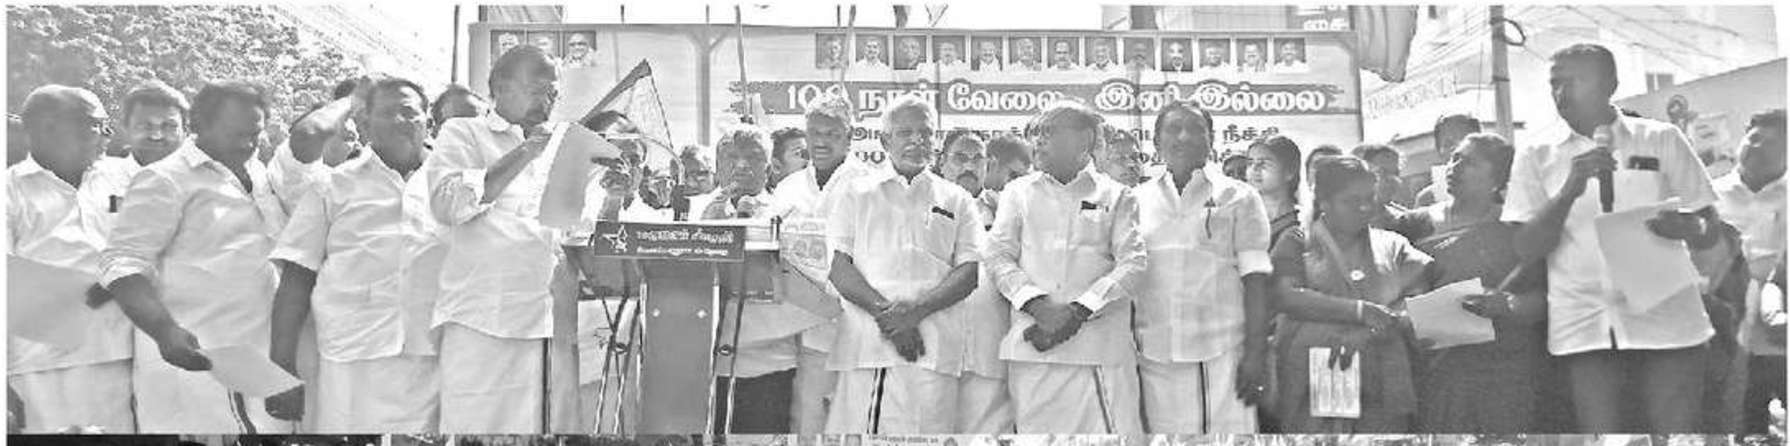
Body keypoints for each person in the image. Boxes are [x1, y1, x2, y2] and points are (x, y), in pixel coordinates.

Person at [1504, 43, 1723, 433]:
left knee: (1676, 435)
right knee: (1607, 437)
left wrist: (1689, 228)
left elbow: (1710, 228)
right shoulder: (1536, 154)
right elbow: (1525, 248)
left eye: (1575, 81)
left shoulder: (1661, 139)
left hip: (1667, 318)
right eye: (1555, 83)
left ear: (1610, 84)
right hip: (1586, 323)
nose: (1561, 93)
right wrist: (1568, 191)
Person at [101, 80, 294, 433]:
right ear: (199, 125)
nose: (248, 144)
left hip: (256, 356)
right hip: (196, 359)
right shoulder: (165, 179)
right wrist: (164, 331)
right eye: (236, 134)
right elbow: (122, 263)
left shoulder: (257, 172)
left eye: (255, 134)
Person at [264, 75, 440, 432]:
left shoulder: (458, 185)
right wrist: (279, 368)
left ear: (429, 121)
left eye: (409, 112)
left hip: (436, 360)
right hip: (352, 360)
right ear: (364, 124)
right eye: (386, 113)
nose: (399, 121)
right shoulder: (331, 186)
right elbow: (296, 280)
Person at [422, 44, 574, 433]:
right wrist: (525, 152)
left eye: (553, 93)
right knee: (473, 430)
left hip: (543, 323)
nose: (547, 102)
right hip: (480, 320)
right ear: (501, 87)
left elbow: (570, 229)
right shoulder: (464, 132)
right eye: (537, 90)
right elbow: (447, 204)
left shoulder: (557, 149)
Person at [986, 100, 1147, 434]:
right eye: (1036, 133)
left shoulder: (1117, 195)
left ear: (1084, 140)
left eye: (1049, 131)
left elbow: (1133, 263)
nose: (1038, 141)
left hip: (1099, 352)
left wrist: (1078, 312)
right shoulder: (1017, 192)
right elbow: (998, 256)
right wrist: (1037, 306)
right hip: (1034, 350)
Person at [823, 95, 981, 433]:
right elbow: (839, 267)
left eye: (925, 133)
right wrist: (890, 317)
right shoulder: (856, 193)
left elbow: (969, 272)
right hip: (871, 344)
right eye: (905, 133)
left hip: (935, 347)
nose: (916, 141)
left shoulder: (957, 199)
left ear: (936, 140)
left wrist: (915, 312)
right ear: (885, 140)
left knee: (933, 436)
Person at [1390, 133, 1547, 433]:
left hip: (1505, 366)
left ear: (1498, 178)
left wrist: (1507, 305)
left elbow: (1547, 298)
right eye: (1454, 158)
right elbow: (1390, 291)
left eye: (1469, 162)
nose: (1455, 167)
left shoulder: (1517, 227)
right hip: (1437, 367)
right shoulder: (1412, 226)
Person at [1134, 102, 1271, 433]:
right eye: (1174, 129)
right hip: (1156, 357)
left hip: (1225, 355)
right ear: (1156, 141)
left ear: (1211, 139)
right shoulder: (1135, 200)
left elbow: (1256, 281)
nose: (1184, 137)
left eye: (1196, 129)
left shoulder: (1240, 196)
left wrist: (1256, 353)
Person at [1269, 155, 1432, 433]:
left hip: (1383, 366)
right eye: (1352, 200)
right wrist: (1359, 311)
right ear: (1324, 202)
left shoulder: (1393, 244)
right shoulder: (1299, 240)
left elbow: (1418, 296)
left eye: (1370, 198)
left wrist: (1398, 317)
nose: (1365, 207)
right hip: (1326, 364)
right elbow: (1286, 296)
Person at [8, 85, 138, 433]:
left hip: (130, 351)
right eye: (96, 125)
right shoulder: (10, 192)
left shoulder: (125, 178)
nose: (107, 136)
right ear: (48, 128)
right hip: (46, 366)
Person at [767, 94, 888, 433]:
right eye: (815, 133)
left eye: (832, 134)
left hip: (854, 323)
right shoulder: (788, 188)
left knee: (853, 422)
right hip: (797, 324)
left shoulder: (870, 185)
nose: (822, 142)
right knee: (806, 419)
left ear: (850, 137)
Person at [932, 130, 1015, 433]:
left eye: (976, 159)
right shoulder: (917, 205)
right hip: (933, 350)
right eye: (959, 158)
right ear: (941, 162)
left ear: (987, 165)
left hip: (988, 348)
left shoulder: (1007, 210)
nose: (968, 166)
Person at [1710, 109, 1786, 434]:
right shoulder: (1708, 196)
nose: (1757, 147)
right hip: (1731, 343)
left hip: (1781, 339)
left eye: (1772, 143)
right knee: (1746, 430)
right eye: (1753, 139)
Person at [1245, 135, 1303, 251]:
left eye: (1264, 164)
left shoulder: (1300, 227)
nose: (1254, 169)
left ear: (1289, 172)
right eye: (1250, 163)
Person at [1414, 114, 1484, 207]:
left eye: (1465, 142)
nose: (1457, 149)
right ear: (1439, 150)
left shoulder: (1498, 190)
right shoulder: (1427, 199)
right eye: (1448, 144)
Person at [117, 80, 189, 167]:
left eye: (169, 126)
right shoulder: (105, 173)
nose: (156, 136)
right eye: (144, 126)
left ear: (186, 131)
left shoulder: (202, 174)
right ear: (125, 128)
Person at [1352, 144, 1410, 229]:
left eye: (1396, 174)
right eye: (1382, 172)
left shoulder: (1405, 218)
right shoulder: (1346, 220)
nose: (1392, 180)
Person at [938, 130, 988, 194]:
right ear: (942, 163)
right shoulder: (929, 198)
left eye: (977, 159)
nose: (970, 167)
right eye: (960, 158)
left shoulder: (998, 200)